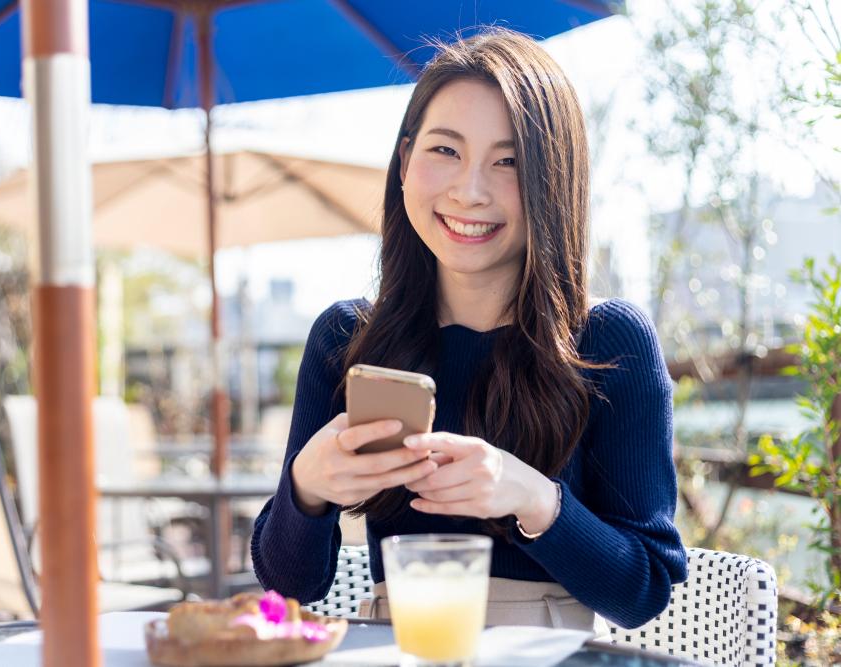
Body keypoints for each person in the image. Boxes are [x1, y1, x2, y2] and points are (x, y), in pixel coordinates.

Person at [250, 27, 687, 632]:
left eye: (508, 161)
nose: (470, 191)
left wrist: (533, 499)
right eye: (445, 151)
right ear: (405, 163)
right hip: (392, 644)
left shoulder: (607, 342)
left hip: (544, 652)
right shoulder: (345, 338)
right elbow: (288, 583)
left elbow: (645, 589)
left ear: (551, 182)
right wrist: (307, 486)